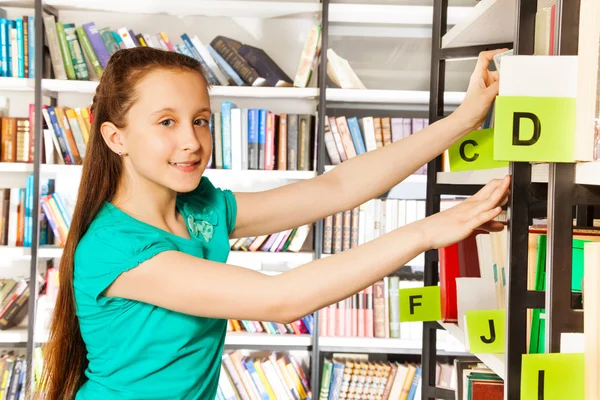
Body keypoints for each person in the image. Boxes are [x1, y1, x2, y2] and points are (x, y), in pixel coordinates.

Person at [39, 46, 510, 400]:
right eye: (166, 122)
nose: (192, 141)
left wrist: (463, 120)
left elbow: (336, 189)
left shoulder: (200, 207)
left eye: (200, 120)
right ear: (115, 137)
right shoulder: (114, 247)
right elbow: (280, 300)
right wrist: (427, 231)